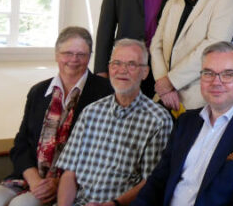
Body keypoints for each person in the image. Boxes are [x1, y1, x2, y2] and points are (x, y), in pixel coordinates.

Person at [132, 41, 233, 206]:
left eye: (228, 74)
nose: (216, 82)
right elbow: (157, 182)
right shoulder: (186, 122)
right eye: (208, 73)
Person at [0, 27, 113, 206]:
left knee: (22, 205)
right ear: (57, 55)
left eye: (81, 54)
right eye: (68, 53)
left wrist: (58, 183)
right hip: (31, 177)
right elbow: (21, 144)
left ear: (89, 57)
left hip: (73, 182)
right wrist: (34, 179)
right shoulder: (39, 91)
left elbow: (102, 152)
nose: (74, 59)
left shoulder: (105, 93)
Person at [56, 39, 173, 206]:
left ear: (145, 72)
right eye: (116, 63)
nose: (122, 71)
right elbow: (69, 173)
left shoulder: (158, 120)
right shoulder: (91, 112)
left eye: (131, 64)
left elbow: (150, 182)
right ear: (109, 68)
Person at [151, 0, 233, 111]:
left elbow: (213, 47)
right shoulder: (173, 3)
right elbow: (156, 45)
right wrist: (164, 85)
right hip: (166, 94)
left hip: (199, 96)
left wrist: (171, 81)